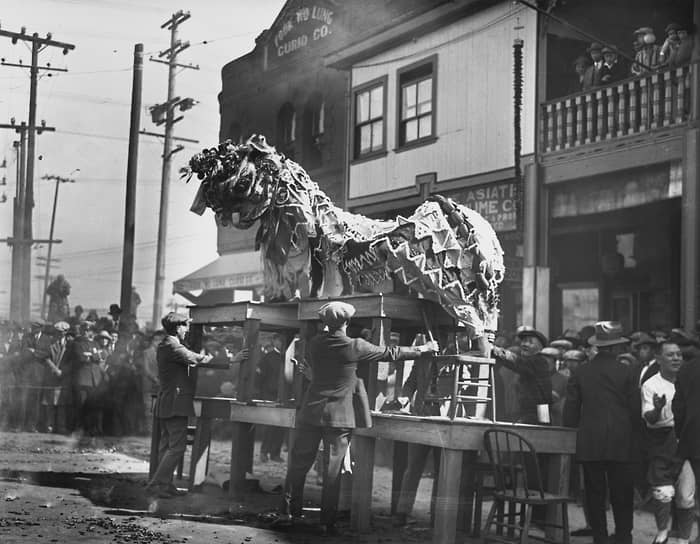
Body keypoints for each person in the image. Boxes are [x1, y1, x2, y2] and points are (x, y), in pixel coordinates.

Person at [279, 301, 438, 534]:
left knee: (298, 465)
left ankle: (290, 513)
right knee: (332, 471)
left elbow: (320, 370)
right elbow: (389, 353)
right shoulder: (355, 346)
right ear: (347, 322)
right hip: (339, 417)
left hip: (311, 412)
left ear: (325, 322)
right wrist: (423, 349)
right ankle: (326, 523)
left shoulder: (315, 343)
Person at [146, 312, 247, 498]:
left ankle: (165, 485)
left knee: (167, 446)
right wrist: (231, 360)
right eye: (185, 326)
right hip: (175, 403)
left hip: (169, 401)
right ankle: (156, 484)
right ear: (178, 328)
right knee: (177, 447)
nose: (187, 330)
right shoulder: (172, 345)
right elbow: (197, 358)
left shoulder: (168, 344)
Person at [563, 321, 636, 544]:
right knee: (622, 492)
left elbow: (571, 410)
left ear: (598, 346)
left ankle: (600, 537)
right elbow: (635, 409)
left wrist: (571, 432)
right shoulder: (628, 371)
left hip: (590, 440)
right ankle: (624, 536)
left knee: (594, 492)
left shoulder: (581, 372)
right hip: (621, 440)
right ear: (615, 348)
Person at [642, 341, 695, 544]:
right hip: (662, 440)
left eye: (679, 354)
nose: (676, 358)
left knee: (686, 495)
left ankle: (683, 539)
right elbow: (649, 418)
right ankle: (662, 533)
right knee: (663, 491)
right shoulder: (651, 385)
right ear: (659, 359)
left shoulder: (690, 380)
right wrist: (657, 409)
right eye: (670, 355)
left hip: (688, 440)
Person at [492, 325, 552, 424]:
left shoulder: (539, 361)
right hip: (529, 413)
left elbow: (518, 363)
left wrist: (495, 350)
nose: (525, 344)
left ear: (540, 347)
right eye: (523, 341)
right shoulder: (530, 362)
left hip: (536, 415)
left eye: (530, 342)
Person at [672, 344, 700, 540]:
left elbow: (678, 408)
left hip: (693, 438)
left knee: (691, 492)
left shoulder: (687, 370)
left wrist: (681, 432)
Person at [257, 333, 287, 463]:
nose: (280, 343)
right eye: (278, 340)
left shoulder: (288, 357)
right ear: (274, 341)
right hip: (269, 394)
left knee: (281, 425)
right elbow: (259, 376)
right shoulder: (268, 357)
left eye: (282, 340)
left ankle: (275, 453)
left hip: (284, 395)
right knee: (268, 425)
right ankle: (264, 452)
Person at [40, 321, 72, 433]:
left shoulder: (70, 345)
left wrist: (63, 372)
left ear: (66, 333)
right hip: (52, 376)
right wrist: (55, 369)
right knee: (50, 403)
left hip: (64, 377)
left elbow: (71, 361)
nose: (59, 334)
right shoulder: (50, 343)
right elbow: (46, 358)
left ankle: (61, 426)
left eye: (62, 332)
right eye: (57, 332)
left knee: (62, 403)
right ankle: (49, 426)